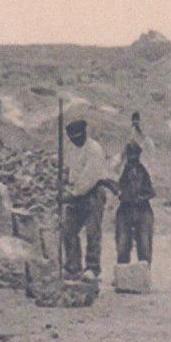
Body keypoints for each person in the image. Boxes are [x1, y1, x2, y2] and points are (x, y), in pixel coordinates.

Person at [61, 119, 107, 281]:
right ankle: (73, 267)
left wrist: (72, 194)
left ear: (85, 134)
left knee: (92, 231)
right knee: (68, 229)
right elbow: (69, 169)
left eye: (78, 138)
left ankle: (92, 268)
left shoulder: (94, 150)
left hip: (93, 193)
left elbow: (89, 178)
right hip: (76, 193)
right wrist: (64, 180)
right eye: (72, 138)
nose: (76, 141)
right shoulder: (71, 149)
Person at [115, 141, 155, 265]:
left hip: (142, 208)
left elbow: (151, 191)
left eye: (135, 156)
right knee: (123, 243)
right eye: (130, 156)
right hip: (125, 208)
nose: (132, 159)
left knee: (144, 243)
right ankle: (123, 270)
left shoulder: (143, 171)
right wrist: (121, 193)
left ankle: (144, 270)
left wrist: (140, 197)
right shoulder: (121, 170)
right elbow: (115, 186)